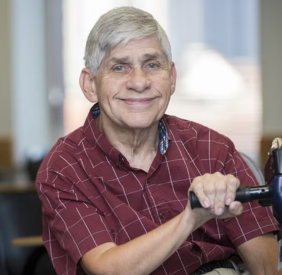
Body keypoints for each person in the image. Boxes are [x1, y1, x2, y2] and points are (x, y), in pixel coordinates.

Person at [36, 6, 280, 275]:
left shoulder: (213, 148)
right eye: (119, 67)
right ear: (90, 85)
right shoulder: (65, 167)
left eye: (152, 65)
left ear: (172, 77)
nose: (139, 82)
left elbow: (267, 270)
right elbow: (109, 270)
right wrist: (193, 216)